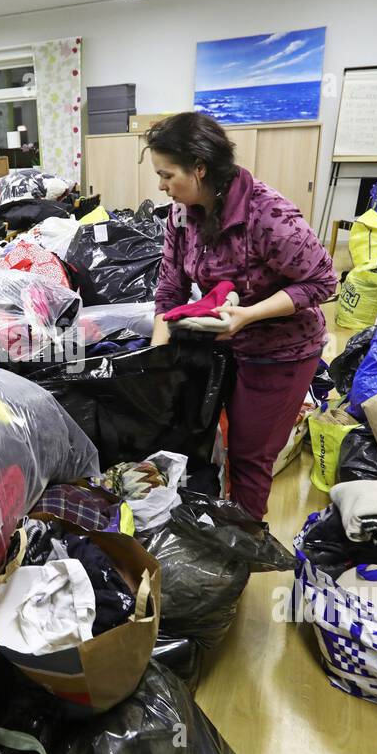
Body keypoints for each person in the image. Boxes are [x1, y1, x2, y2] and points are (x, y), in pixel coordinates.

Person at [147, 112, 337, 520]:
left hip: (282, 353)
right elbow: (170, 290)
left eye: (167, 175)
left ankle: (244, 546)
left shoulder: (267, 215)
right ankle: (217, 524)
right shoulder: (181, 215)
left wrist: (248, 316)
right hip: (225, 342)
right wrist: (154, 361)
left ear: (199, 168)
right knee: (203, 438)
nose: (161, 187)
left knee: (251, 456)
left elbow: (323, 281)